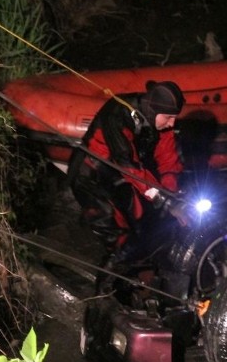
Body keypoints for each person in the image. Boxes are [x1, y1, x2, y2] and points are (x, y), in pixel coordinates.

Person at [67, 80, 189, 273]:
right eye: (168, 117)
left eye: (174, 117)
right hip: (91, 175)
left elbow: (168, 160)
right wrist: (163, 200)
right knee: (117, 231)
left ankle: (138, 274)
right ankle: (105, 285)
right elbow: (127, 165)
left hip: (119, 176)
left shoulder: (161, 123)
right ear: (153, 110)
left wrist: (172, 196)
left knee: (141, 221)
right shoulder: (118, 116)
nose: (171, 123)